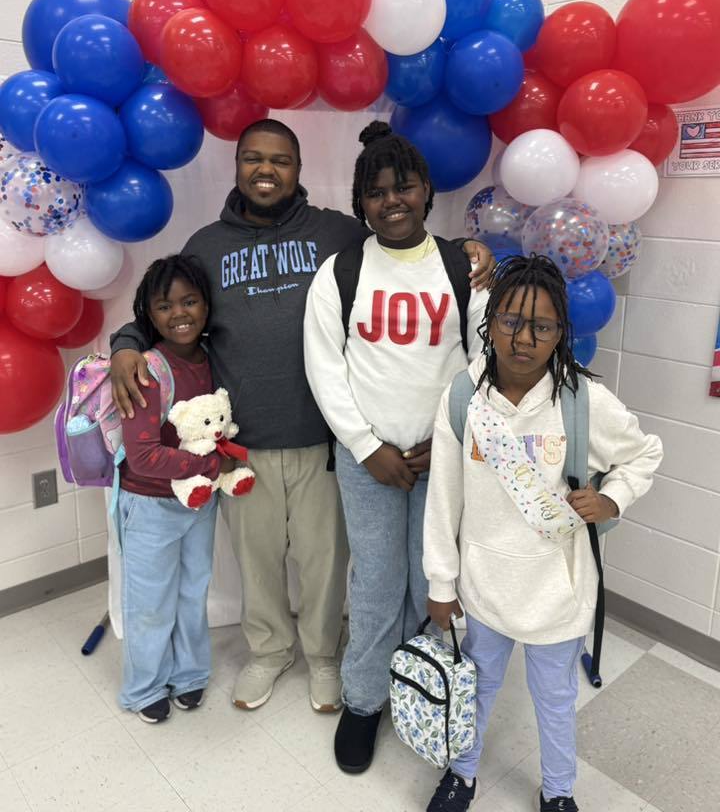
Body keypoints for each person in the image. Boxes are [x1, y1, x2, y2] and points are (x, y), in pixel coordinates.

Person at [110, 118, 494, 715]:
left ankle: (322, 655)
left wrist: (469, 254)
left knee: (325, 561)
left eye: (281, 160)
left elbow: (406, 248)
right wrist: (127, 342)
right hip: (241, 445)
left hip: (324, 438)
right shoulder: (207, 245)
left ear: (299, 170)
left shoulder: (339, 234)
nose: (267, 170)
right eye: (254, 158)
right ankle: (268, 652)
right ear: (237, 166)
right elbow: (166, 303)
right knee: (258, 563)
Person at [422, 255, 663, 812]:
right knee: (477, 689)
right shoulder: (462, 398)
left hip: (558, 589)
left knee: (554, 699)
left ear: (561, 332)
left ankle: (558, 793)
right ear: (491, 321)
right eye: (511, 320)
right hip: (483, 585)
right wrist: (441, 582)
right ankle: (462, 774)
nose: (524, 338)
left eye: (543, 326)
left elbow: (644, 454)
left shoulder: (582, 401)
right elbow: (443, 498)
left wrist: (611, 499)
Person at [304, 121, 489, 775]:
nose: (392, 201)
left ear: (426, 190)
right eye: (377, 192)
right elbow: (325, 370)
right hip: (369, 463)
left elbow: (482, 362)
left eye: (403, 187)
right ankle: (363, 700)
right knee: (379, 584)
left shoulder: (460, 267)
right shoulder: (340, 274)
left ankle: (417, 684)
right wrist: (366, 446)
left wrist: (449, 441)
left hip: (441, 459)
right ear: (362, 203)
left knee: (429, 581)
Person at [118, 254, 237, 723]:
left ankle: (189, 675)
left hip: (198, 503)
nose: (179, 314)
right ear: (148, 312)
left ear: (207, 306)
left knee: (193, 591)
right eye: (165, 306)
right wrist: (211, 463)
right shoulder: (146, 369)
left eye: (190, 301)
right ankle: (144, 685)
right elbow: (143, 455)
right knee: (150, 602)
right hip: (149, 506)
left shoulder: (212, 361)